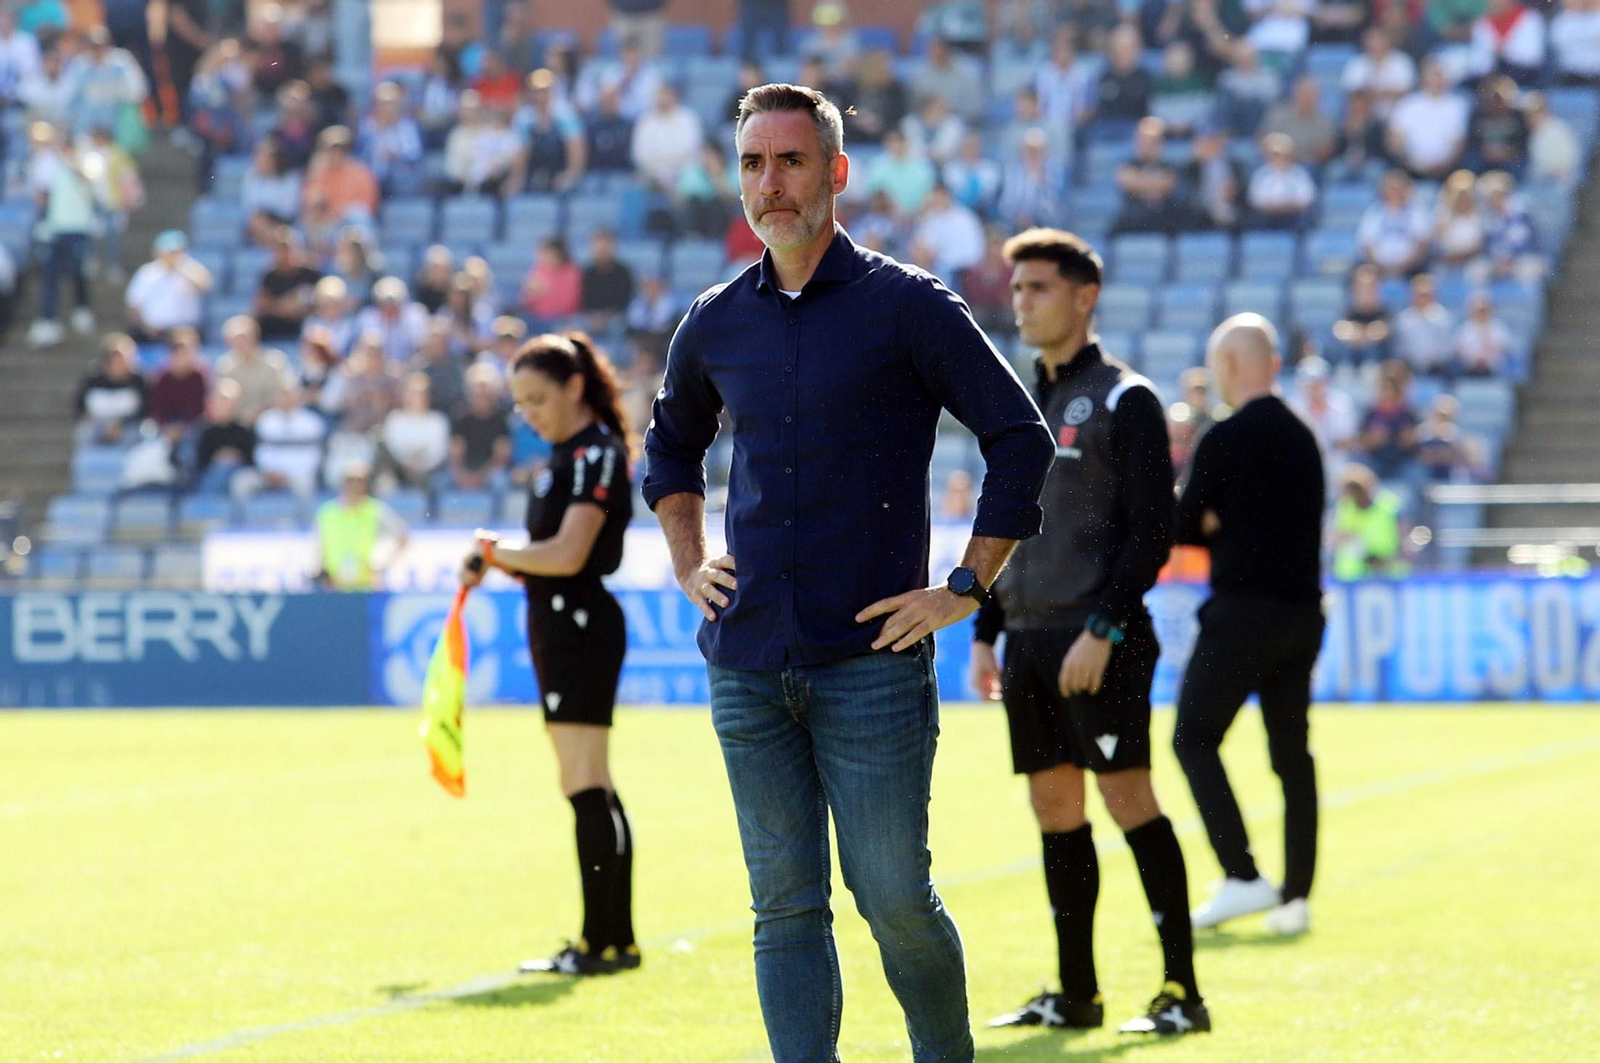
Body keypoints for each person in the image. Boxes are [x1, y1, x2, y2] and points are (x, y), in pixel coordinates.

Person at [642, 84, 1055, 1063]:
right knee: (782, 905)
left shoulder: (907, 306)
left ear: (835, 173)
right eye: (751, 163)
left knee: (893, 899)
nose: (768, 184)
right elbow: (667, 454)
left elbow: (1018, 440)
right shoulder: (712, 320)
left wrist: (963, 586)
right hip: (744, 661)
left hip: (871, 661)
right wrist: (691, 558)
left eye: (789, 162)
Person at [972, 229, 1209, 1038]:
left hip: (1097, 638)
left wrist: (1103, 626)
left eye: (1039, 287)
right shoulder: (1019, 403)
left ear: (1084, 296)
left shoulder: (1125, 397)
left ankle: (1182, 989)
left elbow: (1154, 530)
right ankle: (1078, 993)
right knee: (1053, 806)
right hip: (1029, 639)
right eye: (1018, 288)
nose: (1023, 301)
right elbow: (1007, 524)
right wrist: (985, 630)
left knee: (1126, 795)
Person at [459, 331, 640, 975]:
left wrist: (491, 553)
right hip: (566, 620)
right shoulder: (570, 456)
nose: (529, 414)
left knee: (583, 782)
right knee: (592, 783)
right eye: (520, 404)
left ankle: (601, 944)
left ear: (574, 387)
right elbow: (550, 557)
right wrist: (502, 560)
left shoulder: (594, 454)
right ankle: (612, 940)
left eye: (538, 398)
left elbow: (568, 556)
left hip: (578, 622)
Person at [1171, 315, 1326, 938]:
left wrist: (1218, 523)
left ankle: (1242, 874)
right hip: (1301, 614)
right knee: (1291, 754)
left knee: (1194, 737)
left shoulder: (1225, 438)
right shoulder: (1304, 437)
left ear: (1232, 366)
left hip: (1241, 613)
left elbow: (1182, 527)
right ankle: (1296, 896)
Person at [316, 462, 409, 589]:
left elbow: (402, 537)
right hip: (334, 583)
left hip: (365, 584)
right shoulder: (327, 512)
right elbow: (319, 545)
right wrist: (322, 572)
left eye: (360, 481)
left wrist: (381, 565)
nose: (355, 485)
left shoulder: (375, 510)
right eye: (350, 480)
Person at [125, 230, 213, 341]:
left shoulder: (192, 269)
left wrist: (181, 268)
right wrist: (145, 327)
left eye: (175, 252)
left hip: (185, 334)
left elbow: (205, 286)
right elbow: (134, 306)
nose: (171, 256)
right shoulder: (146, 273)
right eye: (168, 252)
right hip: (153, 334)